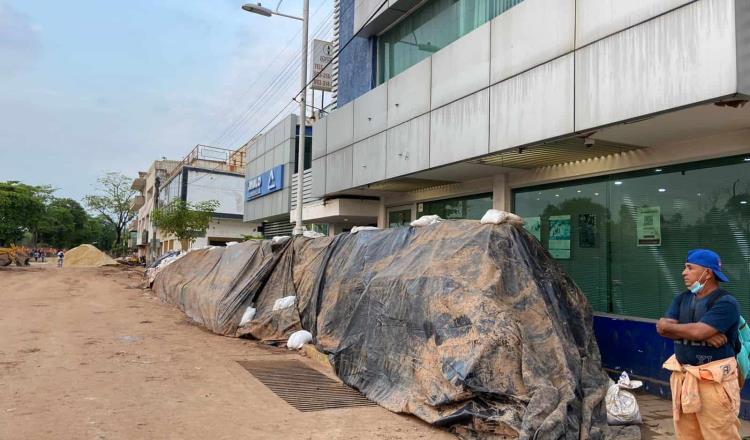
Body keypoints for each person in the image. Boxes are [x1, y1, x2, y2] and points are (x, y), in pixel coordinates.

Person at [656, 249, 741, 439]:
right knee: (688, 435)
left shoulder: (726, 302)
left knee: (719, 434)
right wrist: (701, 334)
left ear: (707, 273)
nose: (683, 272)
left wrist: (698, 332)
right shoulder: (682, 299)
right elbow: (662, 328)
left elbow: (694, 331)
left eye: (689, 268)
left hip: (714, 384)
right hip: (685, 378)